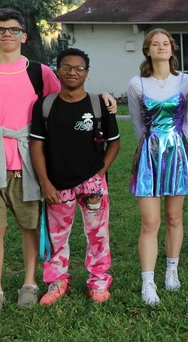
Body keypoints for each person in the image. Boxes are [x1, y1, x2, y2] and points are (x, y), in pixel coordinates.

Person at [0, 8, 61, 315]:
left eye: (13, 29)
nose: (7, 34)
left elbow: (60, 106)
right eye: (0, 29)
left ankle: (29, 284)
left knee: (29, 226)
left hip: (27, 160)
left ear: (24, 35)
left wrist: (106, 100)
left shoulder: (40, 72)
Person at [30, 48, 121, 303]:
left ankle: (99, 282)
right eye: (67, 67)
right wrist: (45, 183)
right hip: (57, 184)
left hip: (93, 182)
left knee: (98, 234)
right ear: (57, 70)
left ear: (87, 73)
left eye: (79, 68)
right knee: (57, 236)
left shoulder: (98, 105)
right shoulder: (46, 105)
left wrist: (100, 171)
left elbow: (114, 143)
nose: (73, 72)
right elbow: (36, 145)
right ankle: (57, 282)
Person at [129, 28, 188, 305]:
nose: (161, 47)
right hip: (149, 155)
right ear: (147, 50)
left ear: (172, 49)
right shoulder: (137, 83)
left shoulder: (186, 82)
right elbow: (137, 123)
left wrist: (179, 148)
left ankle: (171, 271)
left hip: (178, 153)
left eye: (165, 43)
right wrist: (150, 150)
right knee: (150, 222)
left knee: (174, 217)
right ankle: (148, 282)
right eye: (155, 43)